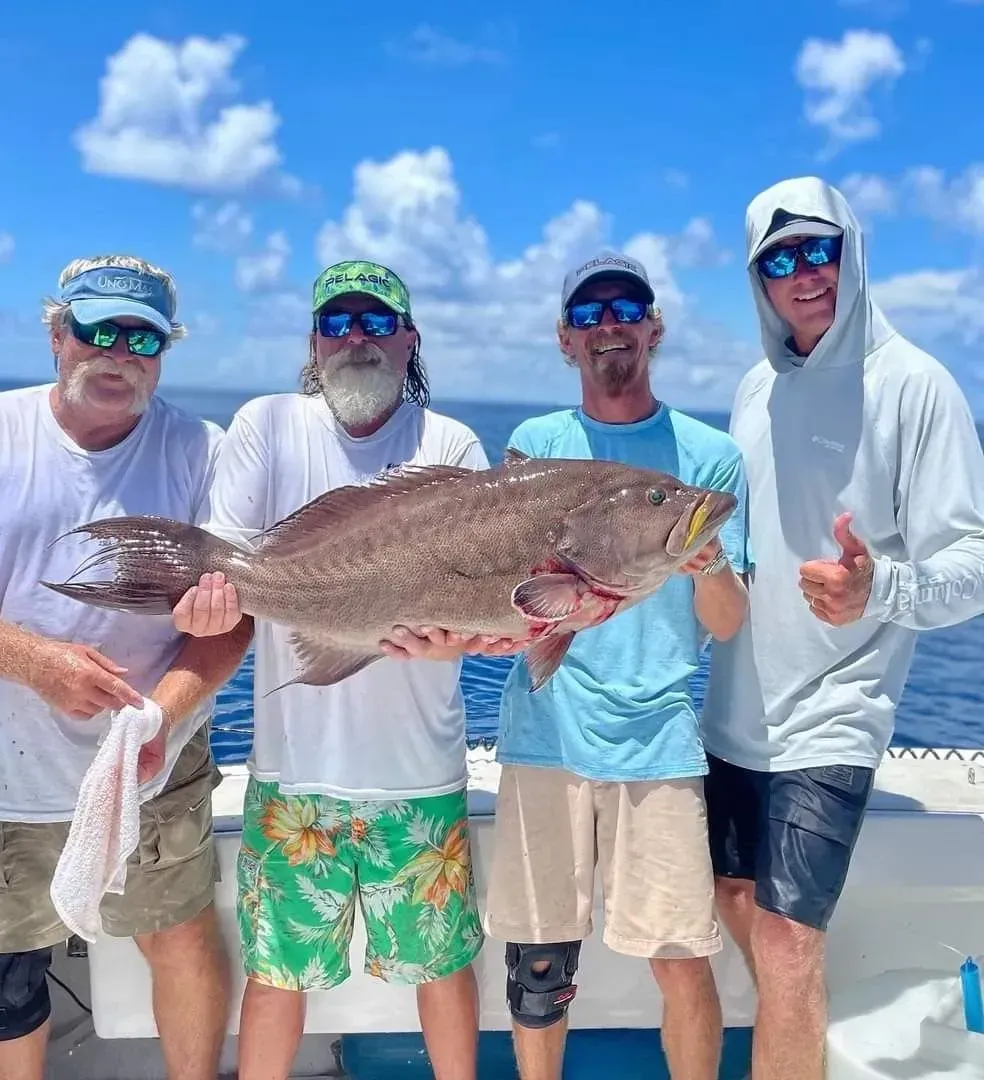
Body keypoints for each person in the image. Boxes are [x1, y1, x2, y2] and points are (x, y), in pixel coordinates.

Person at [0, 256, 249, 1080]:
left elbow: (232, 625)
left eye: (143, 338)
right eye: (99, 330)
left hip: (153, 766)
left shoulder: (204, 450)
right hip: (1, 779)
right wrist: (33, 662)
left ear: (164, 351)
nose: (119, 353)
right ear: (58, 335)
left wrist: (164, 714)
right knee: (0, 974)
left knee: (180, 939)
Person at [175, 259, 494, 1080]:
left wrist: (461, 638)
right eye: (339, 324)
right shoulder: (268, 424)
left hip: (418, 774)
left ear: (410, 339)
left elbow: (482, 596)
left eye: (378, 323)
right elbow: (230, 559)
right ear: (314, 343)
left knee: (442, 972)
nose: (359, 339)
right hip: (295, 775)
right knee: (277, 976)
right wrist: (209, 600)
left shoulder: (450, 443)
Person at [700, 176, 984, 1080]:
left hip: (836, 711)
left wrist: (882, 588)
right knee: (737, 900)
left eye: (818, 249)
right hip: (733, 711)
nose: (802, 273)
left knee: (787, 944)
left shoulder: (918, 386)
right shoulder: (752, 390)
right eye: (778, 259)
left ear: (852, 251)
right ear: (758, 280)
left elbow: (972, 566)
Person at [476, 253, 751, 1080]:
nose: (609, 324)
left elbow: (729, 622)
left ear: (654, 327)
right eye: (589, 314)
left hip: (658, 741)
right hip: (544, 730)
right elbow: (513, 598)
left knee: (679, 958)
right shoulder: (536, 447)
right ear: (566, 339)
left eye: (626, 307)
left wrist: (703, 560)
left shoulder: (708, 457)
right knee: (537, 966)